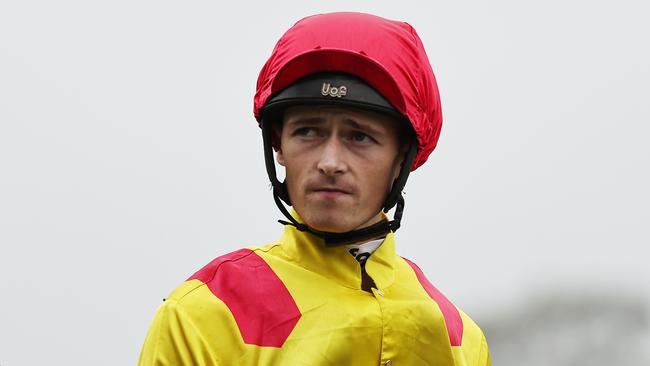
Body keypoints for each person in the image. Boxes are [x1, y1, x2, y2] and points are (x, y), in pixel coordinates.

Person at [138, 12, 490, 366]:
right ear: (279, 145)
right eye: (308, 131)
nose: (330, 162)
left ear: (401, 158)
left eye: (360, 136)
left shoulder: (461, 338)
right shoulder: (203, 313)